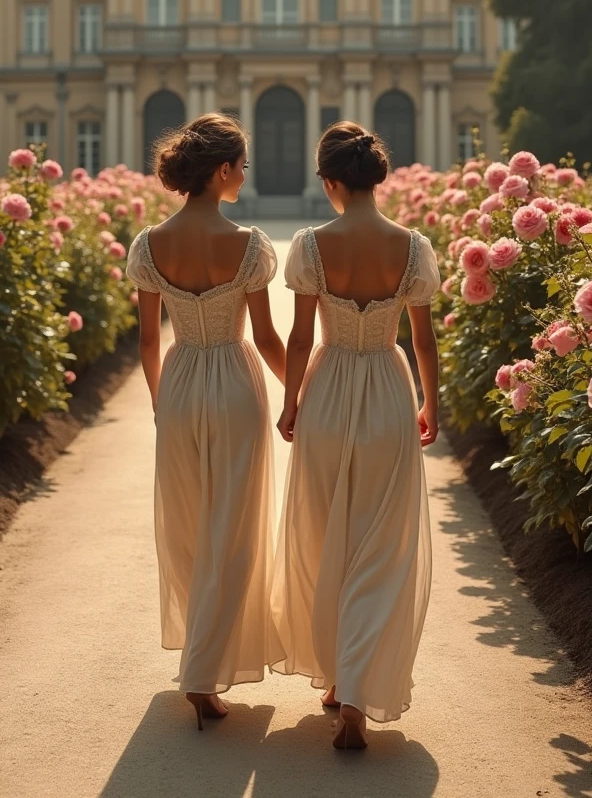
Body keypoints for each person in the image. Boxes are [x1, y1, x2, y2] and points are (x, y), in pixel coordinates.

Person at [271, 121, 440, 751]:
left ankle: (341, 681)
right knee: (383, 544)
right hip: (390, 394)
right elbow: (423, 341)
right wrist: (433, 406)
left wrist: (289, 404)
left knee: (326, 535)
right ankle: (359, 689)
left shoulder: (312, 246)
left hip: (330, 387)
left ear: (331, 181)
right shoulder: (414, 247)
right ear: (382, 177)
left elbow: (297, 336)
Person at [126, 113, 286, 731]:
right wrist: (297, 390)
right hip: (236, 381)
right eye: (242, 166)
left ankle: (201, 659)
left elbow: (147, 342)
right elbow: (268, 337)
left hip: (181, 381)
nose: (245, 176)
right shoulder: (248, 245)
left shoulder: (148, 244)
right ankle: (203, 671)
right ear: (222, 170)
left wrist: (163, 406)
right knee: (235, 529)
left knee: (188, 529)